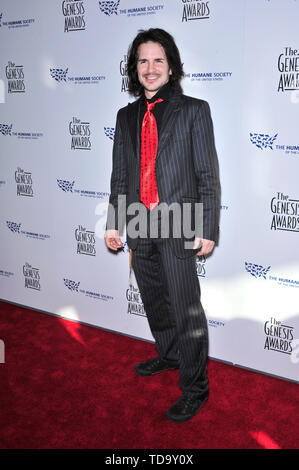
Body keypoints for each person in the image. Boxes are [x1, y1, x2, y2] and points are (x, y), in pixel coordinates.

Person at [105, 28, 220, 422]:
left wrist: (207, 226)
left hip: (180, 219)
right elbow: (120, 173)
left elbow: (207, 174)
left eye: (158, 60)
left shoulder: (194, 110)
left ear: (171, 66)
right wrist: (114, 221)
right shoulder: (126, 116)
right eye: (142, 61)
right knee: (154, 298)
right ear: (134, 69)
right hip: (138, 219)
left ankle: (195, 387)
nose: (150, 68)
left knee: (186, 308)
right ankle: (169, 355)